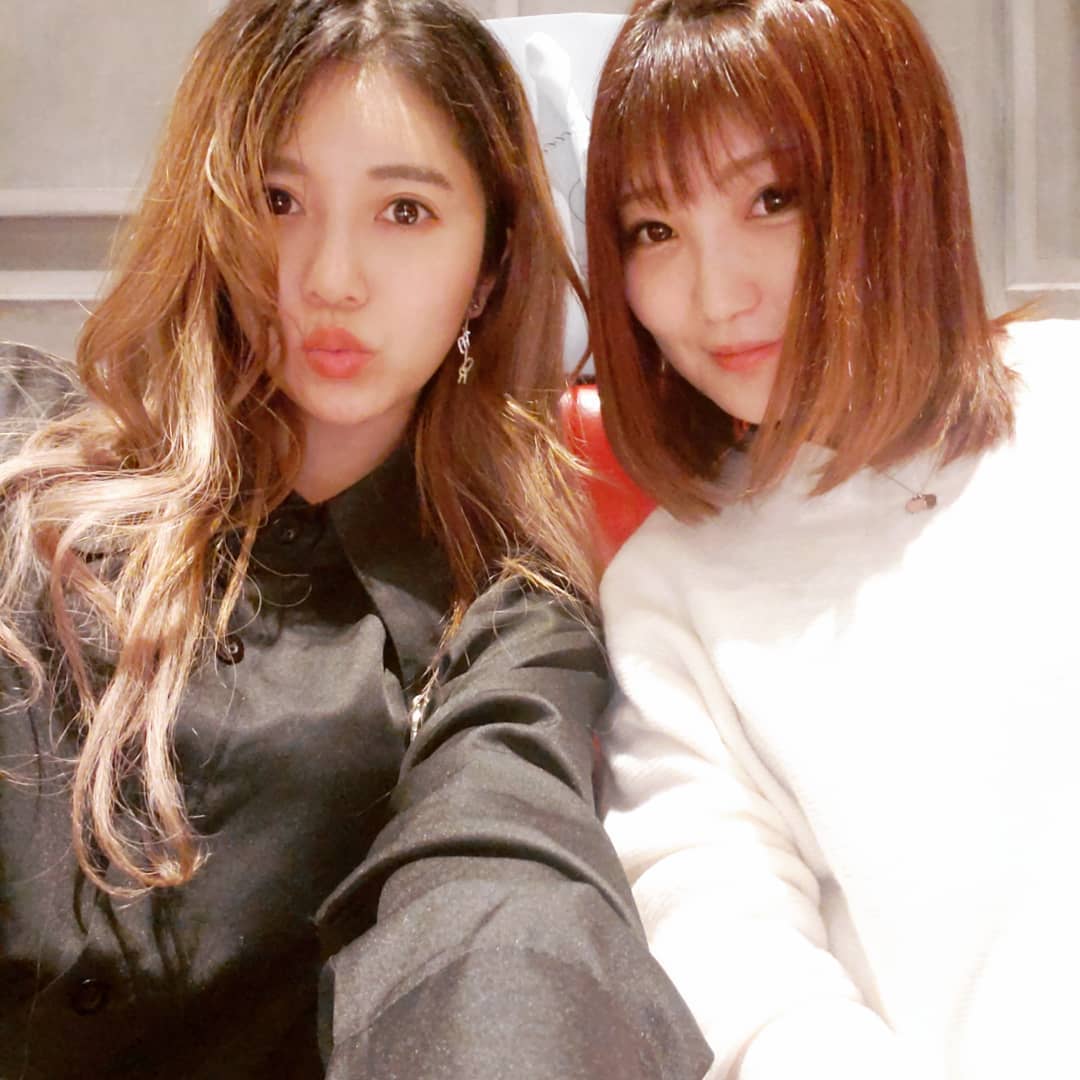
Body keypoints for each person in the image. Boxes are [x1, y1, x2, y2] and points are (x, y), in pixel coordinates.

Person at [0, 2, 713, 1077]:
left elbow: (507, 899)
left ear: (489, 266)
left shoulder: (504, 625)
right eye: (280, 200)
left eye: (405, 212)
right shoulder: (23, 446)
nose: (331, 277)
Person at [585, 1, 1080, 1078]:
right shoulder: (673, 585)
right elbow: (730, 954)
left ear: (900, 179)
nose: (717, 295)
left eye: (773, 199)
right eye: (654, 230)